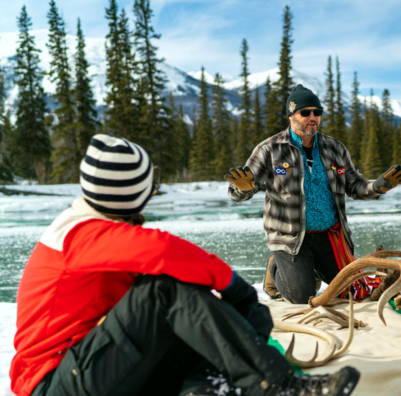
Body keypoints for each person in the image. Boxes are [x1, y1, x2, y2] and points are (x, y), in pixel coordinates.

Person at [11, 134, 361, 396]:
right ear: (133, 193)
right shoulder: (78, 234)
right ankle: (276, 385)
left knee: (213, 316)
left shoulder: (93, 228)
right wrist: (233, 285)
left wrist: (237, 311)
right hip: (53, 383)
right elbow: (163, 252)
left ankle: (205, 388)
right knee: (163, 291)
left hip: (93, 368)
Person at [226, 84, 401, 304]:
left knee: (353, 292)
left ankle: (309, 269)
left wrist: (380, 186)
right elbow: (239, 191)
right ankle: (276, 265)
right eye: (306, 112)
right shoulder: (270, 149)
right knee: (302, 297)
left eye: (317, 112)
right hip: (291, 239)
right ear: (291, 115)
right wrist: (243, 189)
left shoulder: (335, 149)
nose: (312, 117)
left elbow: (355, 186)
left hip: (329, 236)